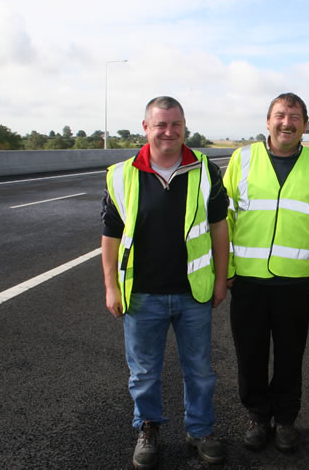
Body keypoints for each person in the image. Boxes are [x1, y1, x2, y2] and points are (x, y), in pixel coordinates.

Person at [101, 96, 229, 468]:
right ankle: (148, 429)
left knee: (200, 370)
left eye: (175, 124)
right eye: (160, 124)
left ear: (184, 127)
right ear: (146, 127)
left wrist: (222, 279)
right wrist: (110, 287)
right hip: (141, 294)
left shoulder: (205, 172)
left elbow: (220, 229)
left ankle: (200, 430)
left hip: (194, 292)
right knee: (143, 373)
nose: (168, 131)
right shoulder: (121, 175)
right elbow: (110, 236)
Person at [223, 92, 309, 452]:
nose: (286, 122)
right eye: (279, 115)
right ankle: (258, 417)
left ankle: (286, 420)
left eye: (294, 116)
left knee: (291, 356)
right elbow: (223, 219)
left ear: (305, 125)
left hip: (293, 283)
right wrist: (225, 268)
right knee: (250, 356)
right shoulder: (241, 159)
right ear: (268, 121)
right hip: (247, 281)